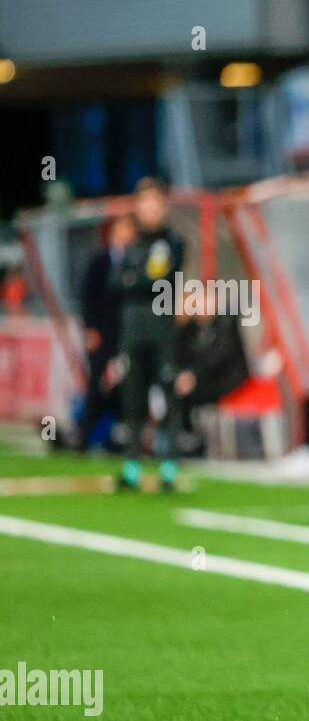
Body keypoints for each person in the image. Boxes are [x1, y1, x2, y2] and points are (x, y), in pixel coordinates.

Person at [113, 178, 186, 490]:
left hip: (161, 328)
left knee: (167, 393)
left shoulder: (172, 243)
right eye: (144, 202)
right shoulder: (131, 244)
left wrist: (133, 279)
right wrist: (134, 279)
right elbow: (114, 282)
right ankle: (132, 465)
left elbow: (159, 280)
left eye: (155, 202)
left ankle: (168, 466)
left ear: (163, 205)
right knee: (133, 395)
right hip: (132, 329)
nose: (150, 209)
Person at [76, 215, 135, 451]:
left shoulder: (136, 261)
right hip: (103, 333)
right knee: (96, 383)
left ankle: (120, 437)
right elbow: (88, 297)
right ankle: (85, 436)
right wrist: (90, 329)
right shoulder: (99, 261)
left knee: (127, 383)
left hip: (127, 334)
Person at [174, 287, 250, 455]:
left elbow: (218, 357)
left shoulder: (226, 322)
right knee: (176, 387)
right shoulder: (194, 328)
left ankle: (191, 440)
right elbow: (182, 355)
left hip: (227, 381)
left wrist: (193, 375)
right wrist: (181, 324)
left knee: (188, 391)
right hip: (204, 380)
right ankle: (185, 437)